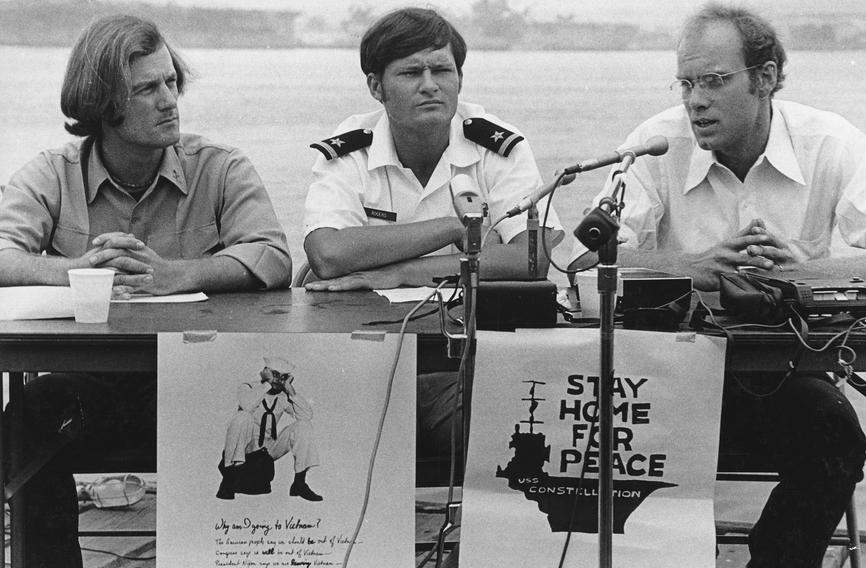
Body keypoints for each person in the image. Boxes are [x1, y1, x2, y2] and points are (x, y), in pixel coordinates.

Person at [569, 4, 866, 567]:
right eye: (686, 83)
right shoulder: (656, 143)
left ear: (765, 78)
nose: (695, 100)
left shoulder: (829, 142)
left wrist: (795, 275)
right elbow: (580, 263)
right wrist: (694, 266)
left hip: (788, 372)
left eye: (715, 81)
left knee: (835, 439)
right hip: (668, 372)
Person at [0, 15, 291, 568]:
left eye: (171, 83)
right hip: (102, 392)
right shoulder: (51, 174)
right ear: (103, 105)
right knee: (29, 418)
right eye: (146, 89)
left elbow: (275, 255)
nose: (169, 101)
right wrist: (80, 271)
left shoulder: (221, 168)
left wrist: (175, 274)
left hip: (210, 388)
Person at [302, 7, 562, 292]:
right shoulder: (350, 151)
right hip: (371, 319)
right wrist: (451, 228)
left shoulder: (498, 147)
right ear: (376, 87)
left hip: (471, 318)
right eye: (411, 73)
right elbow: (327, 255)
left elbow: (532, 258)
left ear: (459, 80)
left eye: (441, 71)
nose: (429, 86)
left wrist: (404, 273)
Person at [218, 357, 322, 502]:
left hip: (267, 450)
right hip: (244, 448)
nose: (278, 380)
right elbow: (247, 405)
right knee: (243, 417)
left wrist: (291, 391)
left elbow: (306, 415)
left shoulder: (282, 397)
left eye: (283, 377)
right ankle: (228, 478)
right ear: (266, 373)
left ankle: (299, 482)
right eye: (276, 375)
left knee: (304, 426)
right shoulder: (249, 388)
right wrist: (267, 384)